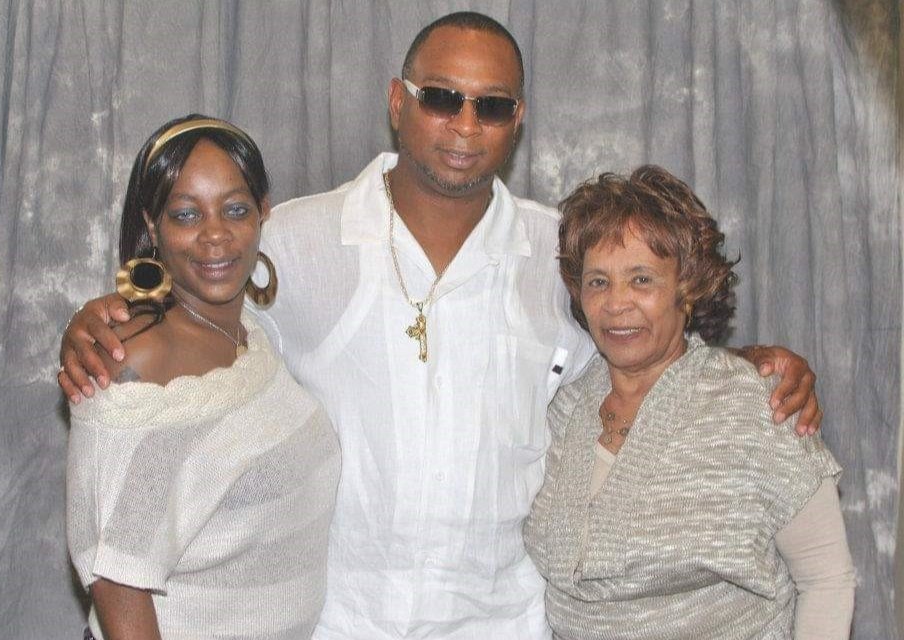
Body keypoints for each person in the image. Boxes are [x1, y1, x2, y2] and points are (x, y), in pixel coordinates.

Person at [59, 13, 823, 640]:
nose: (464, 124)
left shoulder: (561, 254)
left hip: (505, 622)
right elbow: (197, 313)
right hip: (339, 623)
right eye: (441, 97)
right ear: (398, 100)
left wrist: (751, 365)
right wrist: (107, 322)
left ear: (517, 119)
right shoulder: (294, 240)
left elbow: (647, 353)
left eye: (491, 105)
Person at [523, 166, 855, 639]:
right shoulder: (559, 405)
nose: (616, 303)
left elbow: (826, 579)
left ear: (689, 288)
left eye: (641, 279)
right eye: (598, 282)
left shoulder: (757, 407)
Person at [65, 114, 341, 640]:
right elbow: (117, 579)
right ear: (153, 227)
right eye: (186, 214)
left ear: (263, 212)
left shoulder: (248, 335)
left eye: (235, 209)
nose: (215, 234)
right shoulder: (135, 363)